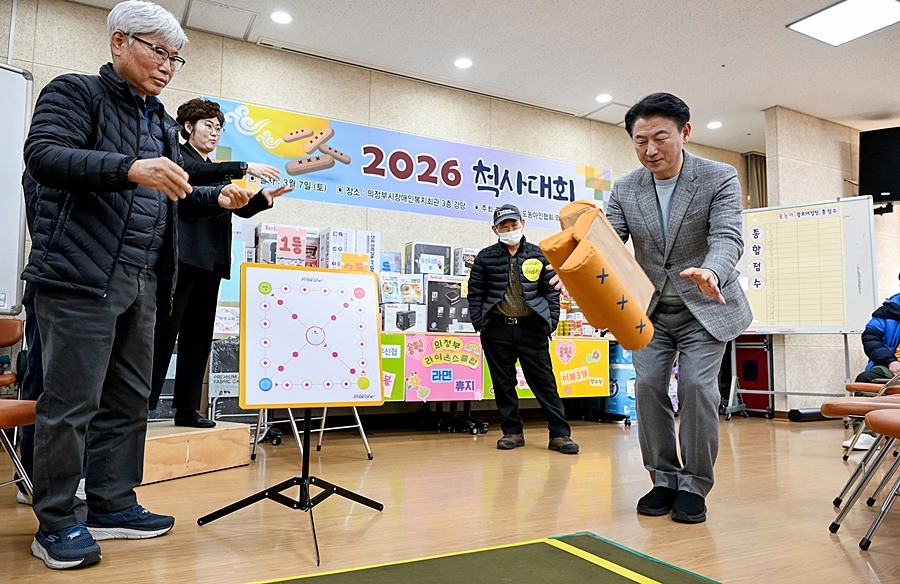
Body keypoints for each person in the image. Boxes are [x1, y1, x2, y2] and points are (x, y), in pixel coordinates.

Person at [22, 0, 252, 569]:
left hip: (144, 279)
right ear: (120, 41)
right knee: (70, 403)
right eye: (160, 51)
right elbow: (45, 156)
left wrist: (220, 197)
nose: (169, 66)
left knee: (129, 401)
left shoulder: (157, 119)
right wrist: (128, 168)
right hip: (78, 277)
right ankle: (55, 522)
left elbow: (174, 190)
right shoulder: (74, 92)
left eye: (176, 58)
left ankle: (112, 502)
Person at [605, 92, 751, 523]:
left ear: (685, 133)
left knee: (695, 388)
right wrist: (575, 270)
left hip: (706, 305)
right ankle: (663, 478)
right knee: (648, 386)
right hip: (650, 311)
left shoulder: (718, 176)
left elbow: (728, 236)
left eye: (660, 138)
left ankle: (695, 485)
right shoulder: (626, 188)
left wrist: (712, 271)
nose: (650, 149)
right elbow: (609, 243)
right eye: (640, 140)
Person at [148, 98, 291, 428]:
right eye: (208, 126)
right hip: (181, 259)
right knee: (164, 333)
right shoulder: (179, 159)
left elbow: (234, 206)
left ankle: (186, 409)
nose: (215, 134)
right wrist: (243, 167)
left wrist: (261, 200)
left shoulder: (213, 167)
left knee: (199, 337)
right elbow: (190, 189)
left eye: (219, 128)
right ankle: (142, 407)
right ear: (187, 127)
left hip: (211, 261)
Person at [467, 204, 579, 455]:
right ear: (495, 229)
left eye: (513, 224)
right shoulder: (485, 257)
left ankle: (560, 434)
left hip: (532, 328)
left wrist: (549, 321)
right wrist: (481, 324)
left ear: (522, 223)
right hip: (497, 329)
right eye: (503, 226)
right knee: (503, 383)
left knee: (545, 383)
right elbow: (475, 294)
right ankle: (512, 432)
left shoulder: (540, 255)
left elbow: (551, 290)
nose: (509, 229)